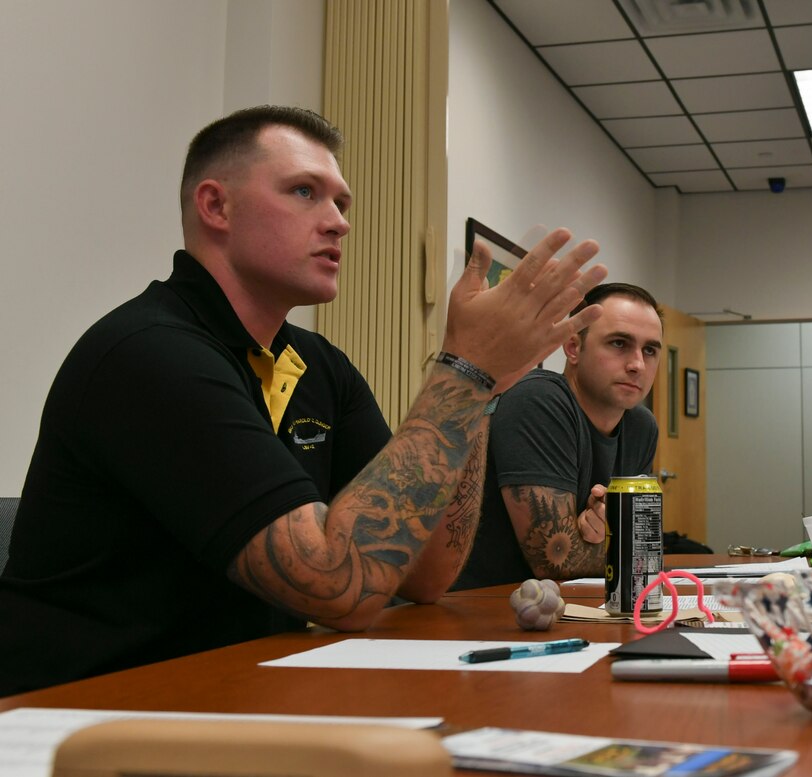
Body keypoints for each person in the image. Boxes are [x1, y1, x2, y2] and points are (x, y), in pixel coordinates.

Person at [0, 105, 607, 696]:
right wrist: (464, 372)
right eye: (304, 192)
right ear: (216, 206)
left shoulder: (320, 366)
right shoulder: (150, 355)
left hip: (239, 696)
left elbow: (425, 573)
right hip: (88, 719)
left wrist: (483, 392)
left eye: (341, 202)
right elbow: (337, 587)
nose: (339, 221)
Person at [454, 283, 661, 589]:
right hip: (475, 610)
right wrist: (615, 543)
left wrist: (604, 538)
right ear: (573, 347)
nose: (637, 365)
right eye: (619, 343)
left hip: (568, 608)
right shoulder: (539, 400)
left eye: (650, 350)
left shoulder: (641, 426)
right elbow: (556, 561)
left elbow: (645, 548)